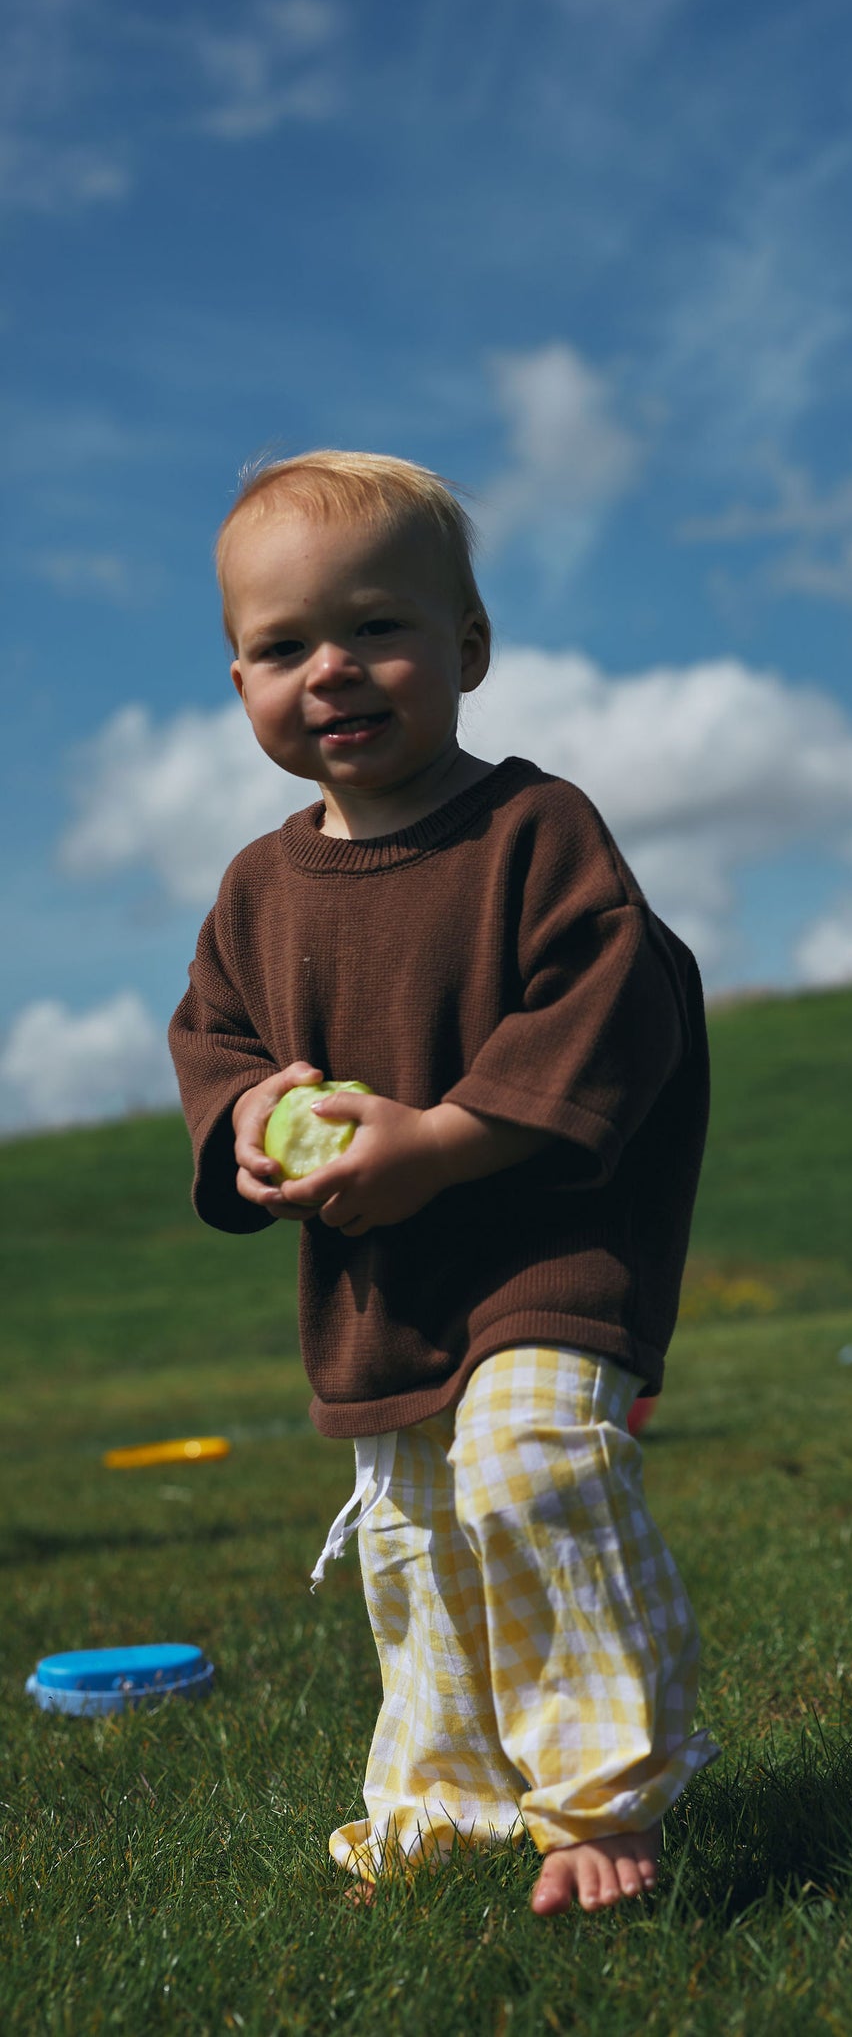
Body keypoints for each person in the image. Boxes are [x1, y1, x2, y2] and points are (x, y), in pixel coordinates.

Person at [168, 449, 716, 1915]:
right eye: (285, 647)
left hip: (545, 1246)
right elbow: (214, 1040)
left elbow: (623, 1005)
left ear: (467, 650)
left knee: (532, 1469)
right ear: (242, 688)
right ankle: (442, 1805)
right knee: (415, 1543)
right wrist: (249, 1110)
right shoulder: (256, 889)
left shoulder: (533, 835)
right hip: (380, 1280)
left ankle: (606, 1803)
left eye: (378, 630)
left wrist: (448, 1141)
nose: (333, 670)